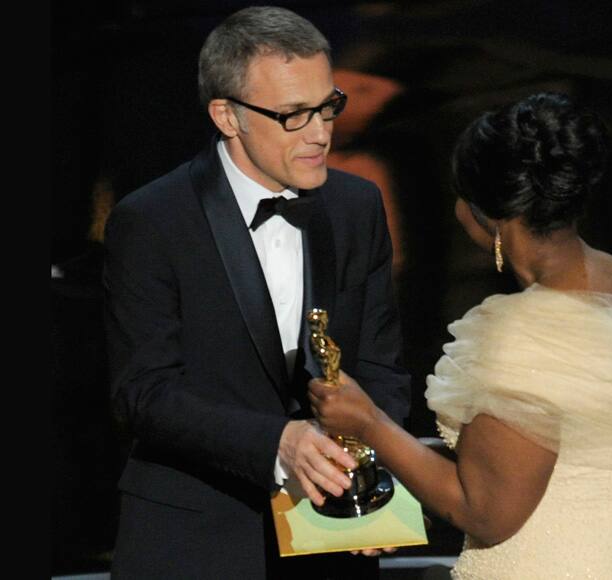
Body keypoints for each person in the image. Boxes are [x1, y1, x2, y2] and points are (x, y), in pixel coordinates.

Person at [309, 92, 612, 578]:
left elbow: (486, 512)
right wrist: (382, 455)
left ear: (484, 213)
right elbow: (548, 457)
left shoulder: (523, 331)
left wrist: (369, 423)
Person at [102, 6, 410, 578]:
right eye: (294, 115)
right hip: (196, 539)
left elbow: (380, 365)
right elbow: (143, 394)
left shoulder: (356, 206)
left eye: (328, 106)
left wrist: (370, 475)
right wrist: (278, 443)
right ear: (227, 115)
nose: (321, 132)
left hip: (331, 538)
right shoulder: (151, 220)